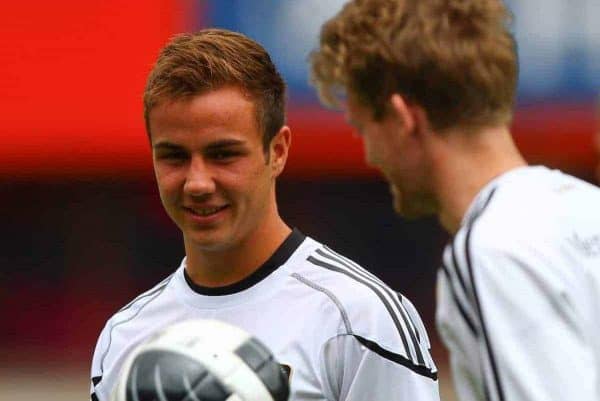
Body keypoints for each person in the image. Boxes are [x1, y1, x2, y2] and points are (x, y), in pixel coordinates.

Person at [90, 28, 440, 401]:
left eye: (223, 154)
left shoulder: (358, 320)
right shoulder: (124, 337)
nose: (197, 183)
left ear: (278, 151)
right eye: (174, 156)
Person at [310, 1, 600, 400]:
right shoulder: (588, 208)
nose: (370, 155)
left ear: (401, 117)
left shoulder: (491, 252)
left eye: (363, 129)